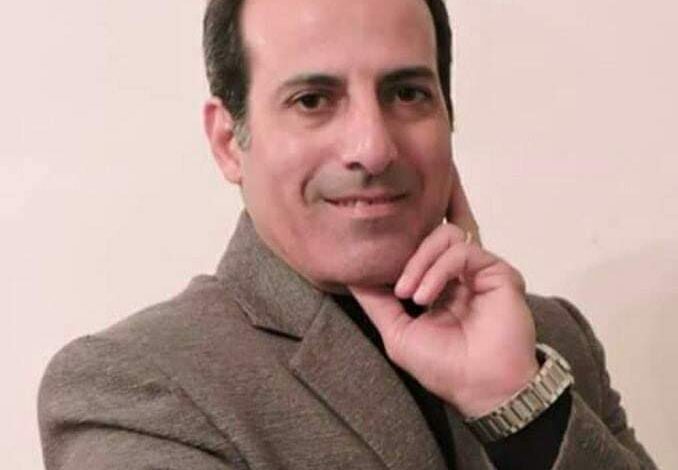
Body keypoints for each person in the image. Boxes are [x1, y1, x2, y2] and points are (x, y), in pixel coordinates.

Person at [38, 0, 657, 468]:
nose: (374, 147)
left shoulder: (549, 343)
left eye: (407, 93)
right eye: (312, 100)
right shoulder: (131, 388)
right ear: (229, 142)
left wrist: (516, 404)